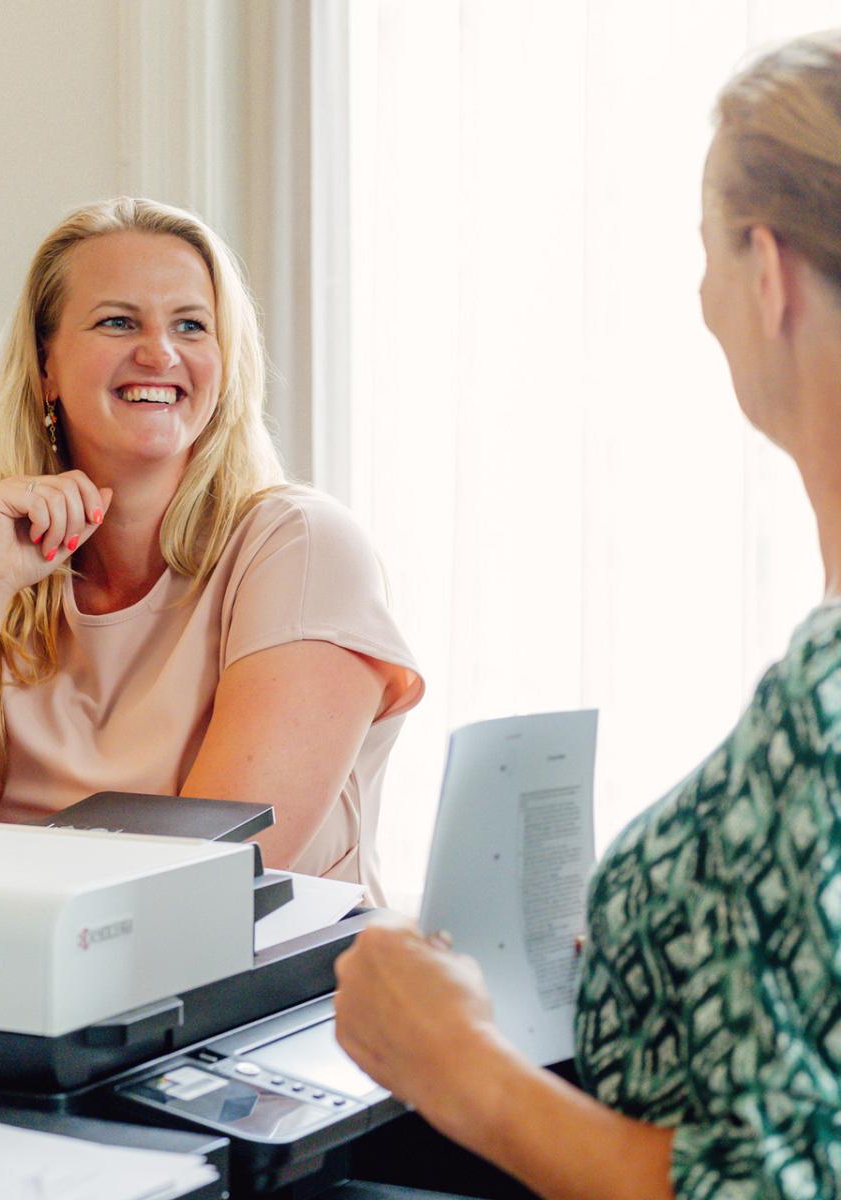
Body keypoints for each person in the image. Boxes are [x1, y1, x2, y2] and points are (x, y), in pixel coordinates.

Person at [334, 30, 841, 1199]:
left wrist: (452, 1062)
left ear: (766, 272)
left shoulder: (826, 702)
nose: (700, 294)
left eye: (704, 251)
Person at [0, 197, 422, 903]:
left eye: (191, 325)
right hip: (13, 990)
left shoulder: (298, 550)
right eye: (118, 321)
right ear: (46, 368)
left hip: (255, 1000)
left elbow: (202, 887)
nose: (160, 352)